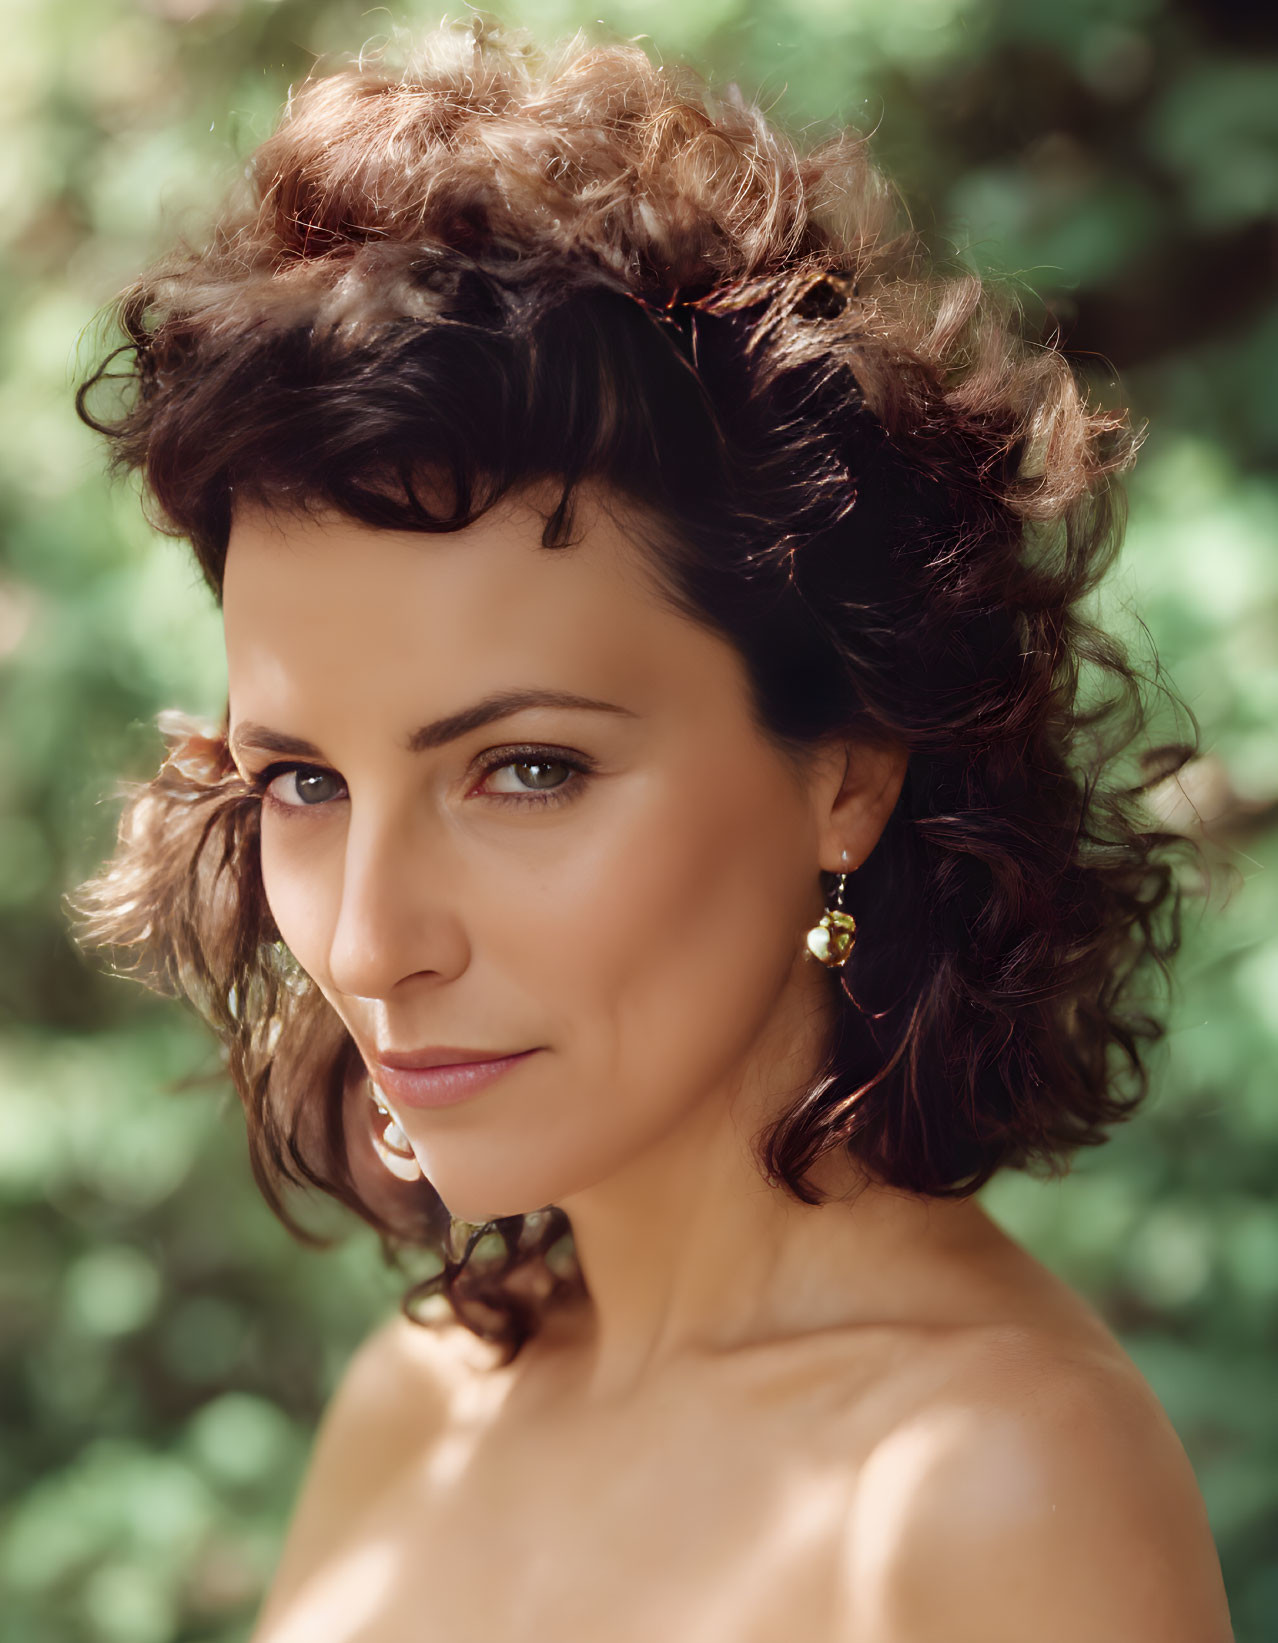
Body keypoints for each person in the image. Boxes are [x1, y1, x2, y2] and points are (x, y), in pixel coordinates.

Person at [69, 18, 1235, 1642]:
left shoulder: (978, 1499)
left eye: (525, 770)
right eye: (307, 784)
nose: (368, 941)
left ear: (847, 768)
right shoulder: (431, 1400)